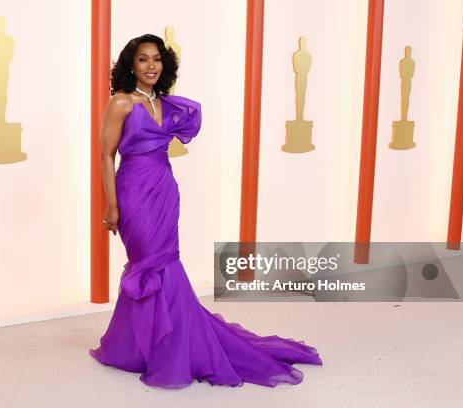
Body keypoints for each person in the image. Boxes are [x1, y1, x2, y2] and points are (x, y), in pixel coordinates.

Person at [89, 34, 322, 389]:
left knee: (166, 262)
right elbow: (106, 155)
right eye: (142, 60)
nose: (150, 66)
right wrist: (111, 203)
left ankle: (159, 346)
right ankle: (147, 346)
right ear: (130, 65)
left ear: (164, 65)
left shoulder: (167, 105)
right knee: (148, 263)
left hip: (164, 188)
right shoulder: (120, 103)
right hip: (133, 190)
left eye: (156, 59)